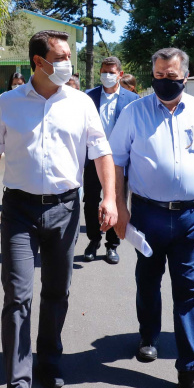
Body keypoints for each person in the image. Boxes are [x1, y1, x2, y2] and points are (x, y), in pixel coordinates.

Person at [0, 30, 118, 388]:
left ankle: (49, 360)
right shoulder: (8, 102)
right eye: (61, 56)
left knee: (57, 291)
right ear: (39, 62)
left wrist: (110, 197)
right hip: (19, 209)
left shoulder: (81, 103)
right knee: (17, 295)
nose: (68, 62)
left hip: (65, 209)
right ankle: (18, 379)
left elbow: (102, 153)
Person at [110, 48, 194, 388]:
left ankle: (191, 370)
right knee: (148, 280)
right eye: (158, 76)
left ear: (185, 76)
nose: (164, 82)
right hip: (147, 215)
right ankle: (148, 335)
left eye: (171, 77)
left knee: (189, 290)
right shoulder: (134, 112)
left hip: (192, 215)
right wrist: (119, 206)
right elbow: (116, 161)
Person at [82, 56, 138, 265]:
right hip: (93, 159)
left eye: (112, 72)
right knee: (90, 202)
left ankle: (112, 245)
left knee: (116, 201)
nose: (107, 75)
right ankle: (93, 240)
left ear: (120, 74)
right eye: (104, 71)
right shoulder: (89, 97)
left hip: (119, 162)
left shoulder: (132, 100)